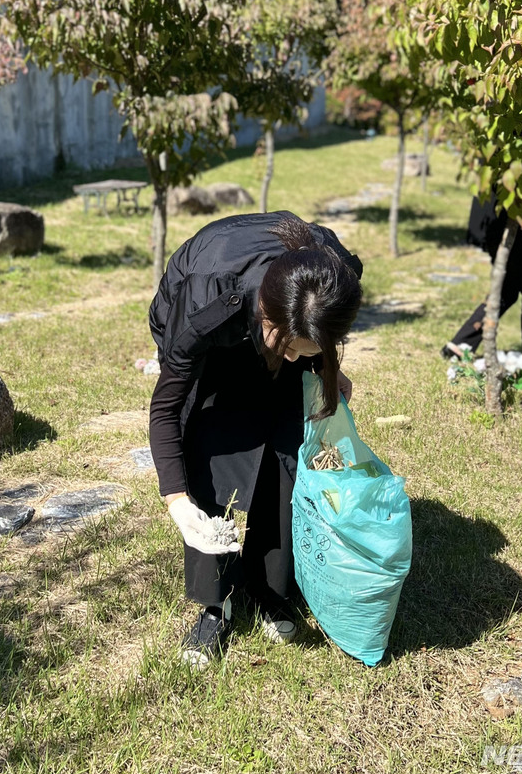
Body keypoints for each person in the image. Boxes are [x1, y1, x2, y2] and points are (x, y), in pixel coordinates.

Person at [148, 210, 363, 668]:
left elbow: (315, 337)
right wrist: (177, 501)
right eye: (280, 343)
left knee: (285, 443)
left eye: (299, 349)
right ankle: (215, 602)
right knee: (207, 434)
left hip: (284, 315)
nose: (286, 356)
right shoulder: (208, 297)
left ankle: (269, 587)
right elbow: (166, 408)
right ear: (267, 313)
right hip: (209, 322)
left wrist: (328, 368)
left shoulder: (337, 278)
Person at [441, 192, 522, 385]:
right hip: (511, 219)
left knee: (508, 291)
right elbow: (516, 176)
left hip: (499, 217)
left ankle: (460, 343)